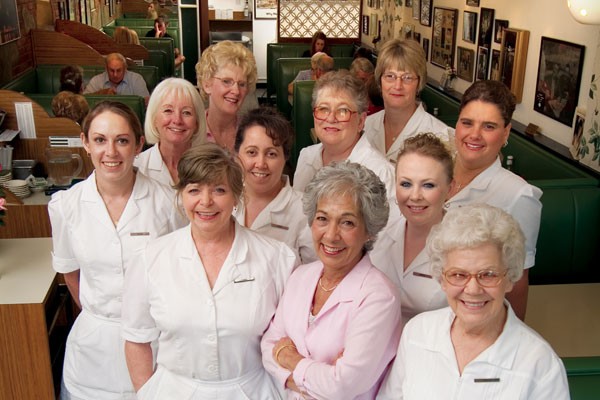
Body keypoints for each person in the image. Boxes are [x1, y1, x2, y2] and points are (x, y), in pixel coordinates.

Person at [122, 143, 296, 399]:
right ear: (181, 195)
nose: (206, 202)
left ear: (237, 196)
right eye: (194, 190)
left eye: (219, 190)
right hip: (174, 391)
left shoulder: (277, 259)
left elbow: (292, 340)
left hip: (252, 390)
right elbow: (136, 339)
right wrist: (146, 393)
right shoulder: (151, 259)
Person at [48, 101, 184, 399]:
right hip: (93, 349)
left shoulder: (168, 203)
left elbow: (181, 272)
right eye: (100, 140)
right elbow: (71, 274)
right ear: (85, 143)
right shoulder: (65, 206)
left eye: (122, 140)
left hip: (157, 344)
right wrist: (104, 311)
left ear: (138, 145)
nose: (110, 152)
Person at [377, 204, 569, 399]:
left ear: (510, 278)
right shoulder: (418, 332)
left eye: (488, 275)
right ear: (442, 279)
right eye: (458, 275)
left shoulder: (540, 363)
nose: (473, 289)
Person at [261, 161, 401, 399]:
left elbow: (343, 386)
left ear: (369, 230)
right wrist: (320, 378)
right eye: (323, 218)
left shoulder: (379, 296)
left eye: (347, 222)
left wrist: (290, 359)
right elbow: (267, 347)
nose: (331, 235)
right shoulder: (301, 276)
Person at [446, 80, 542, 320]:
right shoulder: (434, 172)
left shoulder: (519, 196)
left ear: (506, 132)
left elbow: (517, 281)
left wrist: (510, 339)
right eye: (467, 123)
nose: (474, 135)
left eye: (488, 126)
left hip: (469, 317)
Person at [370, 133, 452, 324]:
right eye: (406, 184)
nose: (415, 196)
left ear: (450, 188)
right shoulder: (378, 229)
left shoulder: (465, 246)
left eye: (428, 185)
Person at [292, 70, 396, 201]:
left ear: (361, 121)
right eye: (323, 109)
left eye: (342, 110)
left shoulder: (381, 173)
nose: (331, 119)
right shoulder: (306, 156)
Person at [233, 107, 316, 264]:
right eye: (251, 152)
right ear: (237, 154)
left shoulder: (306, 211)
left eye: (271, 154)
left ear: (285, 157)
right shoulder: (222, 200)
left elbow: (314, 274)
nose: (261, 163)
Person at [364, 38, 453, 163]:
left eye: (407, 78)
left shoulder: (440, 135)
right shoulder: (364, 127)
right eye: (390, 76)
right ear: (380, 81)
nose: (398, 85)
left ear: (419, 83)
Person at [134, 78, 207, 189]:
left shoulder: (213, 167)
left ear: (197, 123)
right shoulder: (135, 167)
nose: (177, 120)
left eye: (186, 112)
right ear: (154, 119)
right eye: (168, 111)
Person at [196, 40, 257, 151]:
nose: (236, 91)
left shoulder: (252, 133)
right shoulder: (192, 132)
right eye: (226, 81)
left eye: (242, 84)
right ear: (207, 84)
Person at [84, 53, 149, 104]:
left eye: (118, 70)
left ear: (125, 68)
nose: (115, 75)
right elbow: (84, 102)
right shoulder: (96, 81)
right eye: (111, 70)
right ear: (106, 68)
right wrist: (102, 93)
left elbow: (145, 104)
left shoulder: (136, 79)